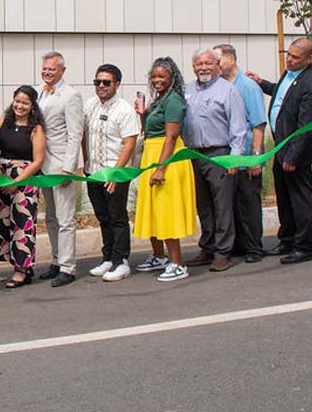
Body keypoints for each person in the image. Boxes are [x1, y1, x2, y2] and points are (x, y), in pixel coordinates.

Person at [247, 38, 312, 265]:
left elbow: (306, 126)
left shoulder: (311, 83)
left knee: (300, 200)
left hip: (294, 154)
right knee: (284, 198)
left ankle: (303, 246)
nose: (289, 59)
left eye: (295, 57)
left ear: (309, 59)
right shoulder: (291, 73)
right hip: (281, 150)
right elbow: (282, 95)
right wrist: (262, 83)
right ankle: (287, 239)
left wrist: (292, 156)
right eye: (288, 54)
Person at [182, 49, 249, 273]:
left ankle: (223, 252)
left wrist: (234, 160)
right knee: (204, 205)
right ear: (193, 67)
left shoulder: (228, 90)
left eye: (208, 63)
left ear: (217, 65)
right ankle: (207, 247)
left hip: (220, 154)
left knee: (222, 206)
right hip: (195, 154)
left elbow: (238, 127)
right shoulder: (187, 90)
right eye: (199, 63)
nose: (203, 67)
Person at [133, 57, 196, 282]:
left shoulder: (174, 101)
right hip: (152, 154)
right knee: (154, 210)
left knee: (167, 211)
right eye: (155, 76)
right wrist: (143, 115)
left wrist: (160, 169)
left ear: (172, 78)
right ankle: (159, 256)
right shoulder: (159, 100)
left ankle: (178, 263)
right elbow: (150, 131)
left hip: (167, 158)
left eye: (162, 76)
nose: (157, 80)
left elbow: (171, 136)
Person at [82, 64, 141, 282]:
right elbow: (84, 136)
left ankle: (121, 261)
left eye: (106, 82)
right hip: (93, 172)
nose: (101, 86)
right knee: (102, 217)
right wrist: (86, 163)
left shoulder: (124, 110)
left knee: (117, 217)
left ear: (117, 84)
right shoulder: (90, 106)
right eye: (97, 82)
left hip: (114, 174)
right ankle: (107, 257)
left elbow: (129, 143)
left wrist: (116, 174)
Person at [214, 44, 268, 263]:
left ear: (231, 59)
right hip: (229, 157)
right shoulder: (221, 86)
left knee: (249, 204)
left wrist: (255, 156)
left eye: (218, 61)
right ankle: (239, 244)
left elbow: (258, 124)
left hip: (246, 155)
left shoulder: (247, 87)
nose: (216, 66)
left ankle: (254, 247)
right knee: (233, 204)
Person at [35, 51, 85, 287]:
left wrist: (69, 168)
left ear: (62, 71)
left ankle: (68, 266)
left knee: (65, 219)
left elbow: (75, 134)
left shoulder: (71, 95)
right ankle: (56, 260)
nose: (47, 72)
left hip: (61, 166)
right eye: (45, 68)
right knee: (51, 218)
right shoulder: (38, 92)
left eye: (52, 69)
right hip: (42, 165)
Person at [0, 86, 46, 288]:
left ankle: (21, 270)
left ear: (32, 106)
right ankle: (16, 263)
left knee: (22, 223)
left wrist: (16, 182)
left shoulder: (36, 128)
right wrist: (0, 174)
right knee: (5, 221)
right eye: (17, 101)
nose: (19, 106)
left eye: (25, 103)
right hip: (2, 176)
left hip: (25, 180)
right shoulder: (4, 121)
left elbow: (38, 161)